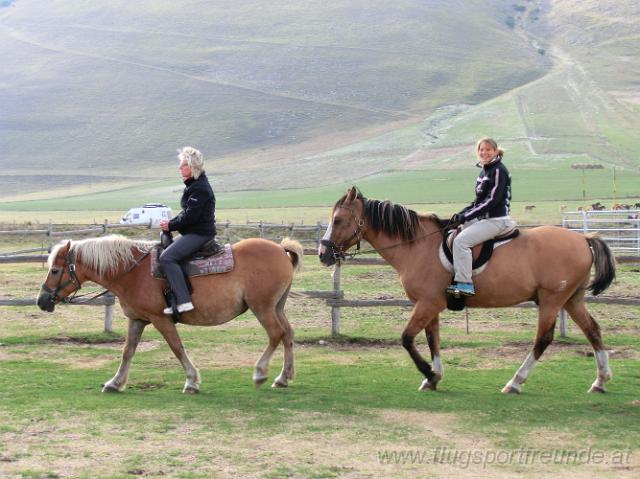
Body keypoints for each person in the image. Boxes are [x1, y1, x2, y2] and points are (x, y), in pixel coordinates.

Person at [446, 138, 515, 297]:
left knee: (461, 242)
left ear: (495, 152)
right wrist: (461, 214)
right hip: (484, 218)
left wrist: (467, 216)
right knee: (454, 232)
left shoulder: (498, 170)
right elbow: (478, 202)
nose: (484, 153)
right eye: (481, 150)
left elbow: (492, 201)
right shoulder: (484, 171)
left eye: (488, 150)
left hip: (496, 220)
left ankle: (465, 284)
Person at [159, 147, 216, 314]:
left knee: (167, 257)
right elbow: (186, 213)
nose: (180, 168)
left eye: (183, 165)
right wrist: (171, 223)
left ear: (193, 167)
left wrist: (170, 226)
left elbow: (191, 217)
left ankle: (184, 301)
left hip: (200, 234)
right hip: (194, 232)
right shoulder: (194, 186)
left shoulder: (200, 188)